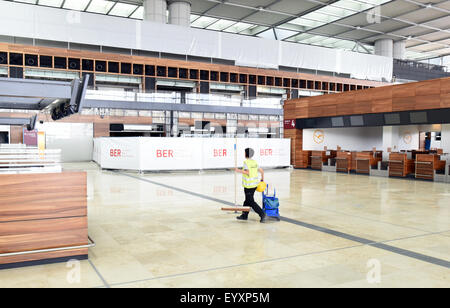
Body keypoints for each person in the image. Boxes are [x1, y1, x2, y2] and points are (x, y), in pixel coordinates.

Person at [234, 148, 266, 223]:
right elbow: (262, 171)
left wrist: (238, 170)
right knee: (246, 201)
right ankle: (244, 215)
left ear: (246, 154)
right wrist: (262, 180)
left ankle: (262, 214)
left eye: (244, 152)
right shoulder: (254, 162)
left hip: (248, 186)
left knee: (251, 201)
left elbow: (247, 173)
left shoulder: (246, 162)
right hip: (254, 185)